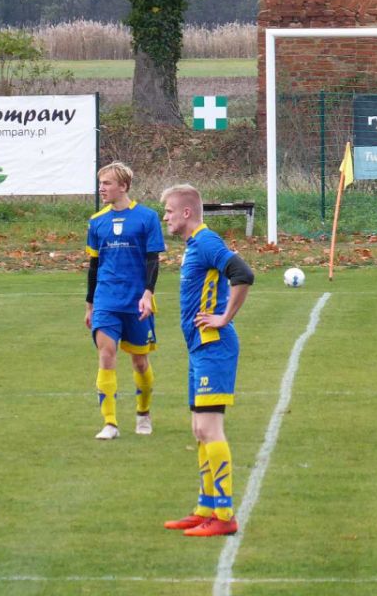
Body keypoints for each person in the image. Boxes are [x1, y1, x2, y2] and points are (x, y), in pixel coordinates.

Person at [160, 184, 254, 537]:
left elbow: (243, 274)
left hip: (214, 346)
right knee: (199, 429)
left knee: (210, 429)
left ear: (186, 212)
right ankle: (205, 508)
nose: (165, 217)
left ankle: (224, 515)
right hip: (199, 348)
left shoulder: (207, 242)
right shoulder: (193, 246)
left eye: (169, 211)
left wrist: (224, 317)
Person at [86, 162, 166, 440]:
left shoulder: (147, 217)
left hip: (136, 301)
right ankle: (110, 423)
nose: (101, 188)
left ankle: (143, 413)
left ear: (123, 186)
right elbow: (94, 266)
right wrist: (90, 305)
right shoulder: (96, 221)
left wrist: (148, 293)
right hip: (106, 300)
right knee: (106, 355)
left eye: (107, 183)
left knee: (140, 362)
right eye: (100, 183)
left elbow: (152, 259)